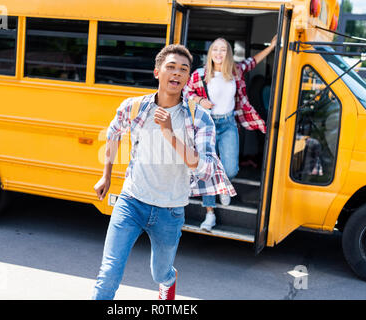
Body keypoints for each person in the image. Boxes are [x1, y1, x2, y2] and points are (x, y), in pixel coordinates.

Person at [92, 44, 236, 300]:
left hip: (170, 210)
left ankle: (168, 281)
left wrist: (169, 133)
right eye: (171, 67)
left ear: (188, 78)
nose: (177, 73)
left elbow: (202, 166)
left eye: (183, 69)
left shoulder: (199, 118)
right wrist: (106, 174)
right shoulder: (135, 107)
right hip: (131, 201)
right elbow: (113, 132)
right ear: (157, 72)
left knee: (160, 273)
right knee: (108, 274)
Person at [183, 36, 276, 231]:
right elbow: (187, 93)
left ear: (228, 54)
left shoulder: (236, 71)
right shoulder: (200, 74)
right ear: (210, 53)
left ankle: (223, 185)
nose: (218, 53)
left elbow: (253, 61)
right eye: (215, 49)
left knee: (231, 169)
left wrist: (272, 46)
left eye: (223, 50)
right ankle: (210, 215)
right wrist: (200, 102)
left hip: (228, 125)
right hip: (207, 126)